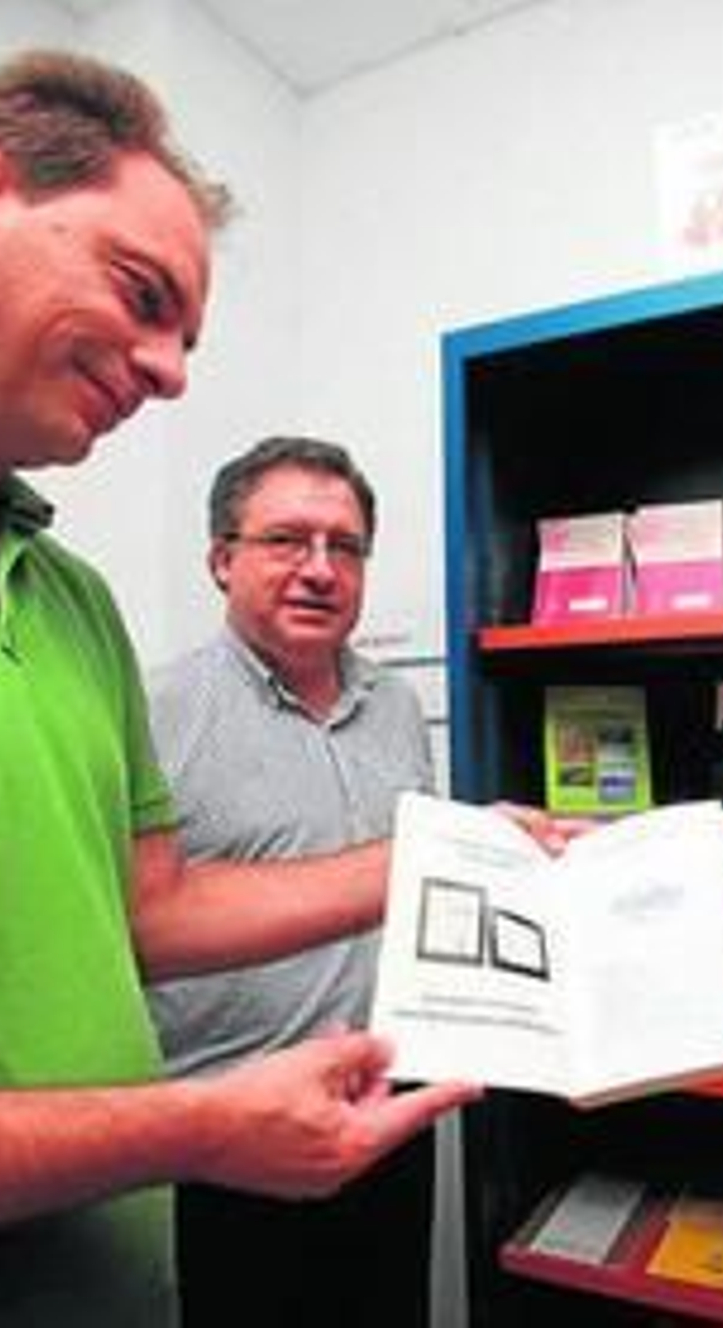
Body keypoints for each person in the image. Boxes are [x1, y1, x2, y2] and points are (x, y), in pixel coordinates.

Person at [0, 50, 476, 1325]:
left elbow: (152, 908)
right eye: (141, 292)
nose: (173, 372)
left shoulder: (69, 598)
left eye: (187, 334)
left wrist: (455, 857)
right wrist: (180, 1124)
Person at [145, 435, 438, 1326]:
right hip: (227, 1147)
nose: (320, 570)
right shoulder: (155, 712)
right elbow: (128, 923)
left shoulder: (396, 707)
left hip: (386, 1122)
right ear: (222, 560)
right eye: (287, 541)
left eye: (344, 547)